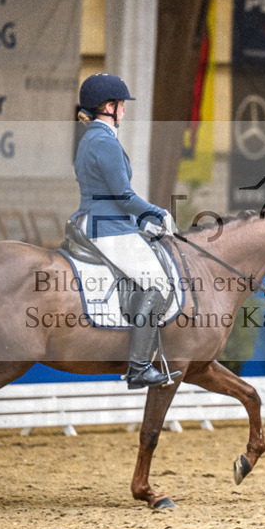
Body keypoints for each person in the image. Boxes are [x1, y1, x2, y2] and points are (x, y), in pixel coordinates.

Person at [71, 73, 180, 389]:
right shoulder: (103, 142)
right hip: (108, 228)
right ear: (109, 107)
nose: (125, 111)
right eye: (122, 105)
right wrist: (158, 213)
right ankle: (139, 366)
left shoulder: (92, 138)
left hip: (101, 221)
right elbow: (123, 196)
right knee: (159, 284)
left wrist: (141, 223)